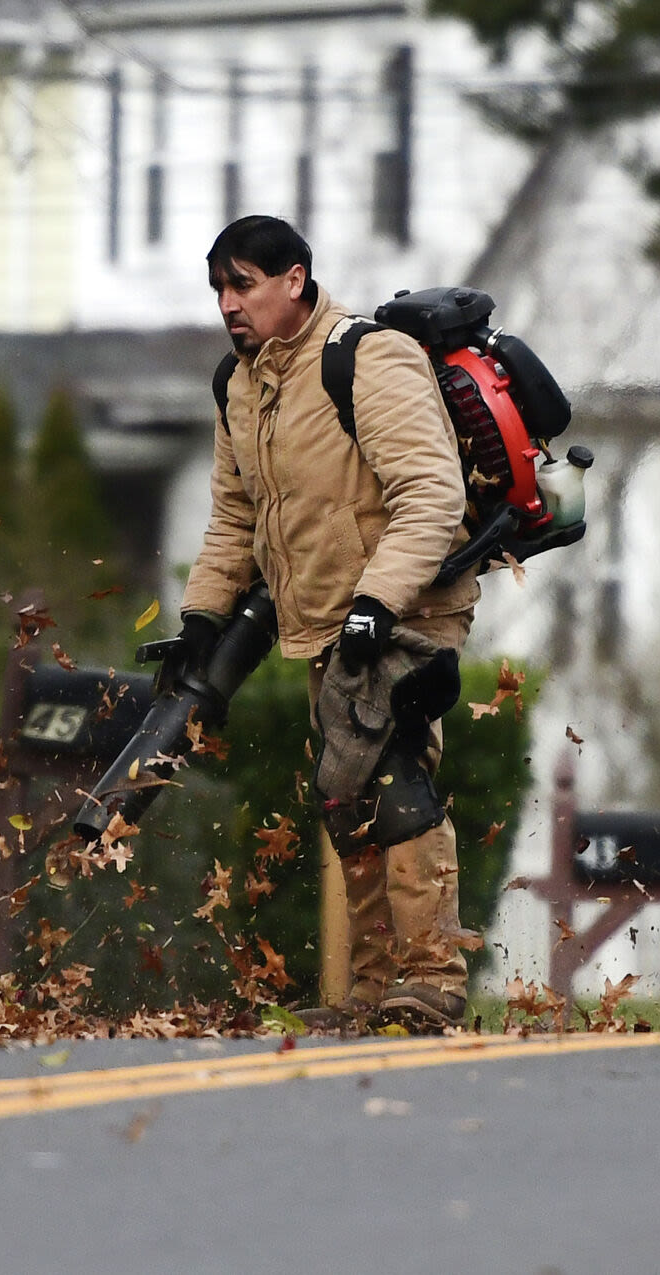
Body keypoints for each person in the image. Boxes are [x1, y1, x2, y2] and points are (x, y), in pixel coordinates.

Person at [176, 215, 481, 1032]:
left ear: (295, 280)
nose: (228, 304)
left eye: (242, 284)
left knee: (395, 777)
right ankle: (376, 991)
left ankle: (434, 979)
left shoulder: (366, 356)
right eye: (218, 289)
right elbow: (233, 519)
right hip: (327, 621)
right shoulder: (238, 385)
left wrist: (378, 603)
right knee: (346, 795)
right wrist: (203, 614)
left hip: (407, 607)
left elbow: (430, 496)